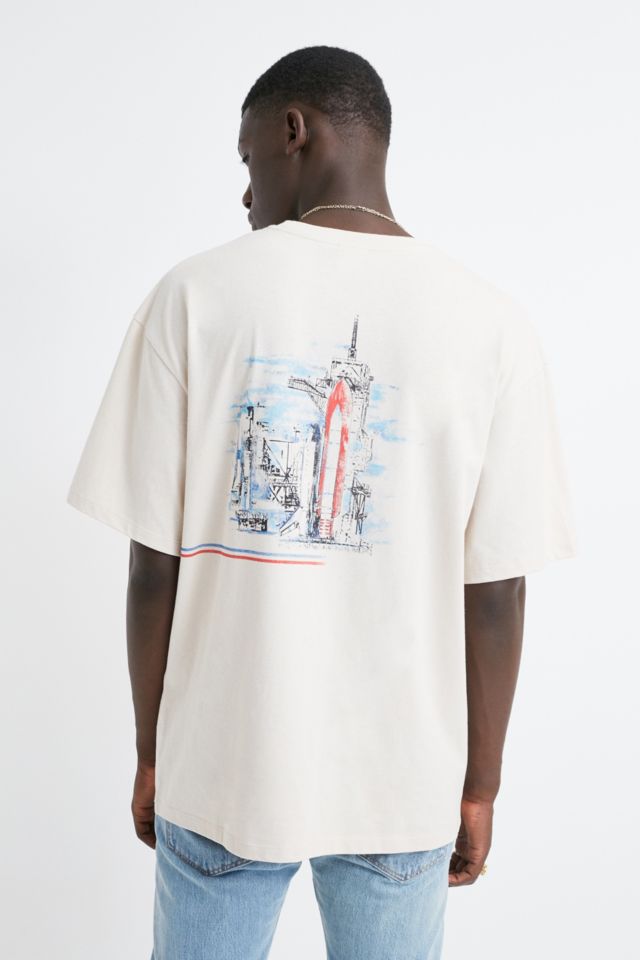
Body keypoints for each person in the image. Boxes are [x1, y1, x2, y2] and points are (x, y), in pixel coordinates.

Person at [66, 44, 577, 960]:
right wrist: (479, 785)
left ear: (292, 131)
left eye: (248, 157)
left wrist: (153, 749)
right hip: (402, 778)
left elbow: (152, 568)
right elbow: (497, 590)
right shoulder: (492, 324)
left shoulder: (194, 295)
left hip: (222, 764)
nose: (246, 191)